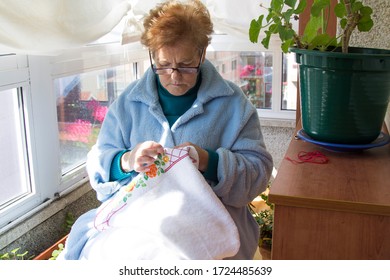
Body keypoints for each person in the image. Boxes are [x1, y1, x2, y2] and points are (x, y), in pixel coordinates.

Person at [59, 0, 273, 260]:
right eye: (163, 64)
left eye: (185, 65)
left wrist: (209, 161)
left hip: (211, 222)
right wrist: (125, 161)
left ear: (202, 53)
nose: (174, 76)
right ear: (151, 54)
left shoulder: (233, 104)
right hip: (137, 219)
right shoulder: (128, 103)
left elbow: (259, 171)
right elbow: (99, 163)